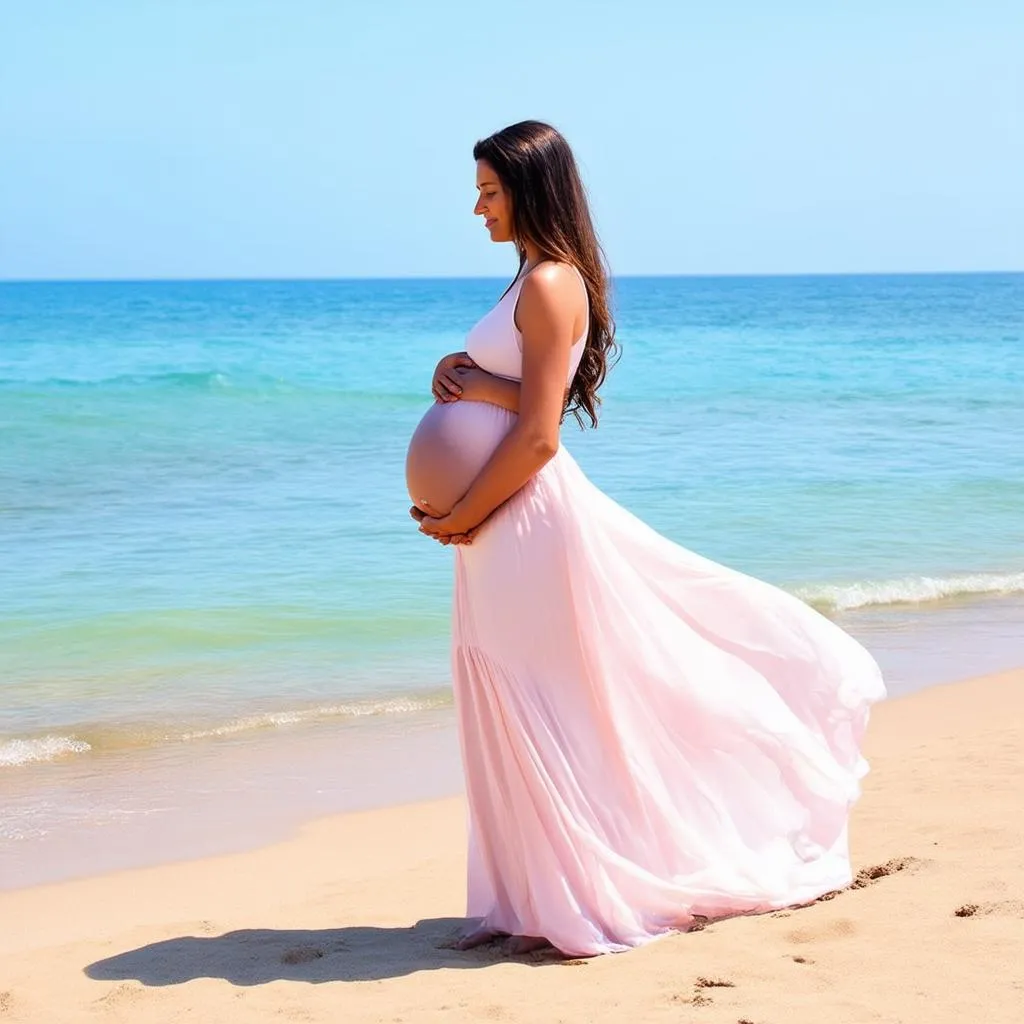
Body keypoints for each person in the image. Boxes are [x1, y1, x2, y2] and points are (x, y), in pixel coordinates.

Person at [409, 120, 886, 958]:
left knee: (548, 703)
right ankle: (527, 898)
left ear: (531, 189)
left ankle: (574, 899)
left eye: (489, 192)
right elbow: (511, 389)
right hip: (494, 525)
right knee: (510, 698)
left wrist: (465, 511)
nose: (475, 207)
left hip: (520, 518)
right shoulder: (527, 279)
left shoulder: (554, 282)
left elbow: (539, 434)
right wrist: (465, 373)